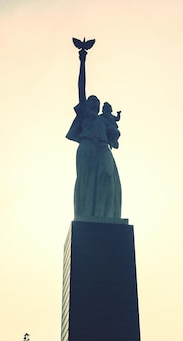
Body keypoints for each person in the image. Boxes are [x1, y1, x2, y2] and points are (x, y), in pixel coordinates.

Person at [66, 50, 122, 219]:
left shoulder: (103, 120)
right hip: (87, 146)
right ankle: (86, 215)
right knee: (86, 182)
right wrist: (82, 61)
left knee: (107, 175)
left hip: (103, 148)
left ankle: (105, 215)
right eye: (93, 101)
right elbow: (81, 87)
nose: (96, 104)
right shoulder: (84, 114)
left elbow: (114, 134)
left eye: (98, 102)